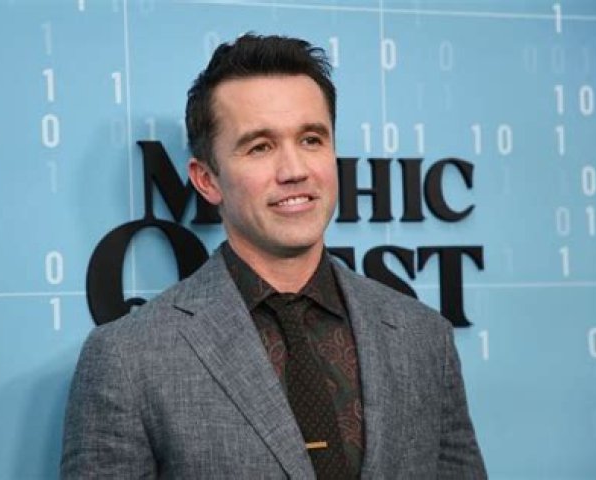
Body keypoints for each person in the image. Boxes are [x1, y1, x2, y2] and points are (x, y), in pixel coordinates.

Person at [61, 34, 487, 479]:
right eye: (260, 147)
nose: (294, 170)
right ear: (207, 180)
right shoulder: (128, 358)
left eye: (311, 139)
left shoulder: (423, 337)